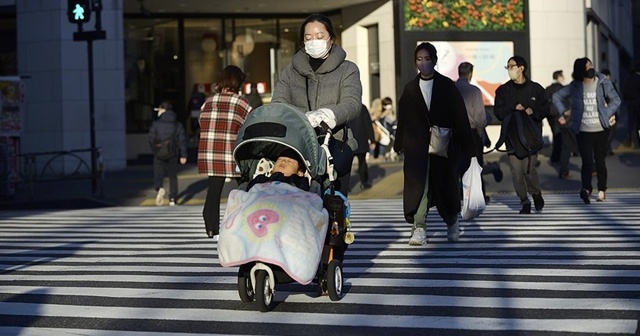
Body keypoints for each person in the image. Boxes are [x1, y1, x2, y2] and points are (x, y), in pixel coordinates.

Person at [270, 13, 362, 197]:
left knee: (335, 205)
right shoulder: (290, 71)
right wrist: (304, 116)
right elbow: (278, 103)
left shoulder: (347, 69)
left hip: (335, 146)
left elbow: (352, 104)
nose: (314, 41)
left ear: (331, 39)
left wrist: (327, 114)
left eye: (319, 36)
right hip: (297, 147)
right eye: (308, 37)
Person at [394, 42, 476, 245]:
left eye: (427, 59)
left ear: (435, 61)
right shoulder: (410, 88)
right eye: (419, 60)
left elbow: (460, 117)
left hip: (444, 147)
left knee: (445, 186)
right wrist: (399, 144)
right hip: (416, 147)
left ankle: (452, 222)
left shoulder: (447, 86)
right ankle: (419, 228)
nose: (423, 64)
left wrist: (469, 148)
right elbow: (403, 118)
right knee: (419, 186)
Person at [552, 57, 621, 203]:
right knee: (587, 162)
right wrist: (564, 111)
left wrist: (608, 113)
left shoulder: (602, 82)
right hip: (583, 131)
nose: (590, 67)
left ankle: (602, 190)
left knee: (600, 162)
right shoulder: (575, 86)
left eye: (591, 65)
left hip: (601, 129)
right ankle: (586, 189)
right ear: (580, 70)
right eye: (587, 66)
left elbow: (616, 100)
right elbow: (556, 97)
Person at [198, 65, 253, 240]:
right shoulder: (241, 102)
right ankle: (248, 221)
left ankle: (211, 228)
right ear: (238, 82)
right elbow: (250, 125)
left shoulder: (209, 101)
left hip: (211, 151)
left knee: (214, 190)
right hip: (233, 151)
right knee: (244, 187)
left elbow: (201, 121)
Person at [494, 55, 549, 214]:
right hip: (512, 138)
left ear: (521, 68)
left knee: (529, 170)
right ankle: (524, 201)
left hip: (531, 138)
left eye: (511, 66)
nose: (509, 69)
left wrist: (534, 111)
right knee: (516, 172)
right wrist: (512, 107)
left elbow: (546, 108)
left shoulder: (536, 89)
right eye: (508, 67)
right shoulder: (503, 91)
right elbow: (498, 111)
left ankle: (536, 193)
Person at [455, 62, 489, 201]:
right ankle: (477, 194)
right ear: (470, 73)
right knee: (475, 165)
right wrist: (481, 132)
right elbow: (480, 117)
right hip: (471, 132)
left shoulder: (450, 89)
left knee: (456, 166)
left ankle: (458, 194)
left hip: (454, 133)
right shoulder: (474, 91)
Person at [147, 101, 188, 206]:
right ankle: (173, 198)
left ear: (163, 110)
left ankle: (159, 187)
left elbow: (151, 139)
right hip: (172, 152)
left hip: (159, 153)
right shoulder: (176, 124)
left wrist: (155, 150)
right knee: (172, 176)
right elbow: (181, 140)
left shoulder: (156, 124)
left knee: (158, 174)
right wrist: (183, 155)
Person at [348, 104, 376, 190]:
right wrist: (372, 140)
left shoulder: (346, 107)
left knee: (346, 164)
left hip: (348, 140)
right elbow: (368, 123)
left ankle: (346, 185)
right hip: (361, 140)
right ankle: (364, 182)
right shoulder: (362, 107)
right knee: (362, 162)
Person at [545, 70, 566, 164]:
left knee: (556, 134)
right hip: (559, 115)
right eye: (562, 76)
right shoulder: (561, 88)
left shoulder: (548, 88)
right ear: (559, 77)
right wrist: (561, 115)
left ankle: (556, 157)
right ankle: (556, 157)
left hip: (550, 115)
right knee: (559, 136)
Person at [621, 63, 640, 148]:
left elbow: (624, 91)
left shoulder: (628, 78)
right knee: (638, 123)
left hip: (630, 103)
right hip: (638, 103)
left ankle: (629, 138)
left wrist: (625, 100)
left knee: (630, 122)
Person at [601, 69, 619, 156]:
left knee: (606, 131)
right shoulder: (610, 85)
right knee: (611, 131)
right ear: (608, 75)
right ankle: (605, 149)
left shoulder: (598, 85)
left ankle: (608, 149)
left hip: (602, 111)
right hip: (610, 112)